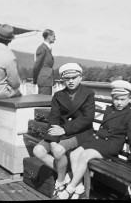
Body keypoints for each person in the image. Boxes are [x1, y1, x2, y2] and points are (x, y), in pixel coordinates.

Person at [59, 80, 131, 199]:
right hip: (98, 140)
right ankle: (79, 186)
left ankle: (70, 188)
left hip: (111, 145)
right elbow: (103, 128)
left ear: (130, 99)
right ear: (112, 98)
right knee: (73, 155)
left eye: (122, 99)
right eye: (116, 99)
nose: (119, 102)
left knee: (84, 155)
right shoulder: (109, 109)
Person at [32, 63, 95, 200]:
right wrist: (53, 141)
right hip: (60, 132)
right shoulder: (58, 95)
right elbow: (53, 118)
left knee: (59, 151)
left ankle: (59, 183)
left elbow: (87, 118)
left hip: (81, 132)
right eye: (67, 79)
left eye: (74, 77)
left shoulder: (88, 93)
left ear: (80, 77)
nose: (71, 81)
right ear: (63, 80)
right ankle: (66, 175)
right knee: (38, 151)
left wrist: (64, 129)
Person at [32, 29, 56, 95]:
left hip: (47, 81)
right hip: (44, 81)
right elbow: (37, 65)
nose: (55, 38)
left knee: (47, 102)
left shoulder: (47, 49)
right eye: (54, 36)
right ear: (48, 36)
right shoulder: (42, 48)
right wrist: (34, 80)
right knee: (44, 102)